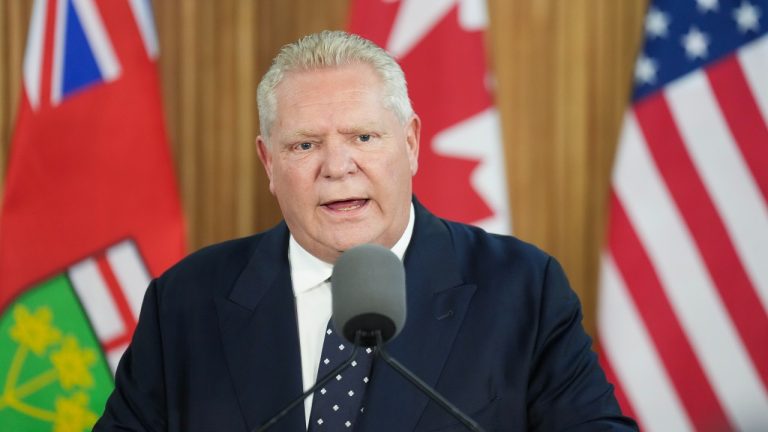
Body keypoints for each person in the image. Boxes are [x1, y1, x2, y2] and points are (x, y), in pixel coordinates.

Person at [94, 30, 637, 431]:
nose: (337, 166)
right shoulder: (185, 300)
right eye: (305, 144)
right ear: (268, 163)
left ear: (411, 143)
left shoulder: (523, 289)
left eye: (363, 137)